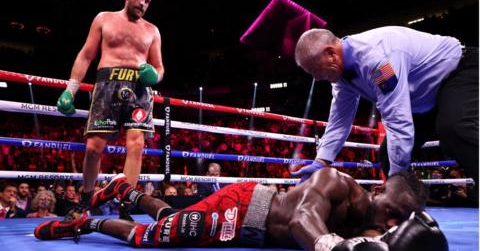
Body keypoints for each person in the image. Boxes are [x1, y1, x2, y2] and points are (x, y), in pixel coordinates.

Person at [34, 168, 447, 250]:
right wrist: (336, 248)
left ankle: (127, 191)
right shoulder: (337, 183)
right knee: (148, 239)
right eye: (389, 210)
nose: (387, 221)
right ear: (378, 192)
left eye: (395, 220)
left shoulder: (380, 229)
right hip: (243, 208)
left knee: (168, 220)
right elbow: (304, 220)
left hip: (250, 228)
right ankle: (85, 223)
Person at [292, 27, 478, 188]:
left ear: (331, 53)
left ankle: (399, 195)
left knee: (455, 128)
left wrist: (395, 184)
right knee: (388, 156)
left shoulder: (377, 60)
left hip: (458, 71)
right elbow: (339, 120)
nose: (316, 78)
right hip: (424, 99)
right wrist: (321, 161)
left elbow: (398, 120)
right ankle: (407, 214)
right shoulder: (341, 77)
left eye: (315, 70)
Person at [55, 0, 165, 220]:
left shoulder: (152, 30)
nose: (143, 4)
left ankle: (126, 206)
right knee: (94, 149)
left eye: (147, 1)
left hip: (139, 90)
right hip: (107, 85)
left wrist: (154, 76)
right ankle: (85, 202)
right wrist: (70, 90)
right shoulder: (104, 19)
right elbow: (86, 55)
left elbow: (159, 68)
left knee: (136, 146)